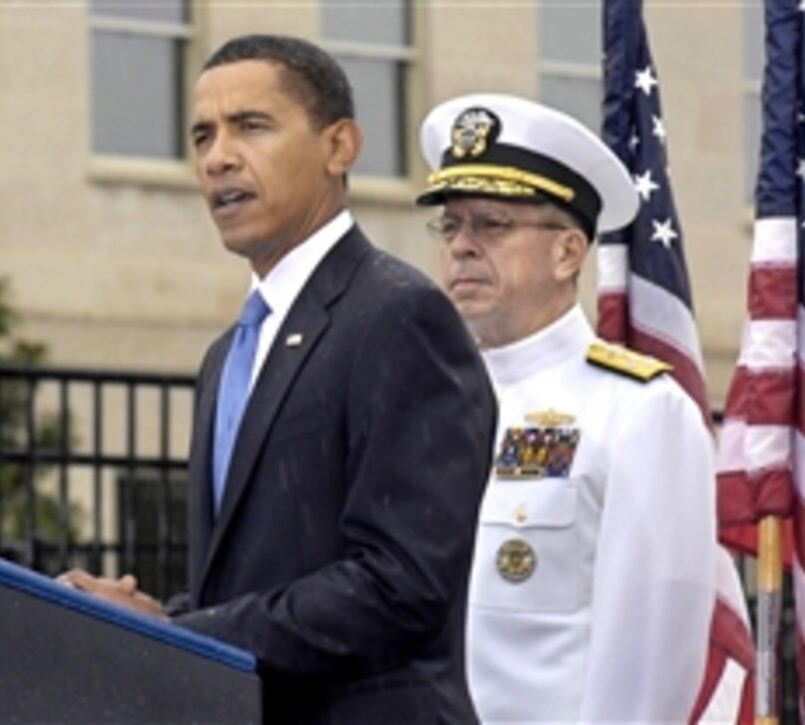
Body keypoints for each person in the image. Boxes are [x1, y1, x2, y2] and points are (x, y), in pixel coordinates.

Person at [60, 35, 497, 724]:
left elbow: (402, 584)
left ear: (340, 146)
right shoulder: (226, 354)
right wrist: (145, 619)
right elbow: (249, 588)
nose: (218, 156)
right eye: (203, 134)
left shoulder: (398, 315)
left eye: (251, 126)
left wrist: (178, 635)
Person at [416, 93, 719, 721]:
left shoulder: (637, 413)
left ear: (568, 252)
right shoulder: (416, 404)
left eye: (491, 224)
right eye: (451, 225)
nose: (461, 245)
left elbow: (647, 669)